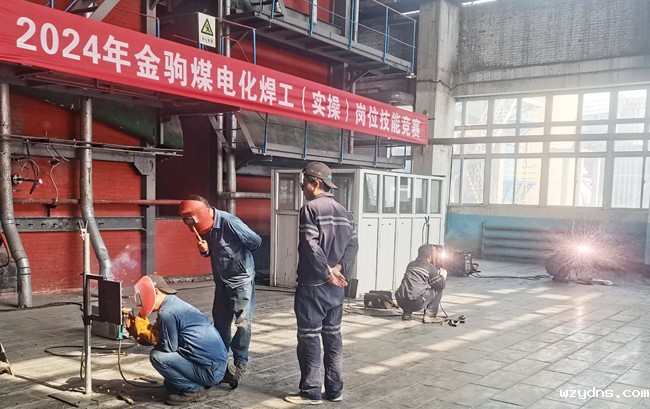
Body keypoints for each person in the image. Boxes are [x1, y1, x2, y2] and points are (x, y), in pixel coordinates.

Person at [284, 162, 359, 405]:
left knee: (309, 337)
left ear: (315, 183)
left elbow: (310, 244)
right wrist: (339, 269)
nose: (302, 188)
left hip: (313, 286)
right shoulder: (344, 211)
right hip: (337, 287)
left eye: (303, 184)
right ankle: (335, 391)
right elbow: (353, 245)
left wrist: (326, 272)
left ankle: (311, 392)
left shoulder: (310, 208)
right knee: (333, 336)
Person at [179, 195, 262, 387]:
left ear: (207, 211)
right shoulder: (202, 225)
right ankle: (220, 361)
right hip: (221, 281)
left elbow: (255, 241)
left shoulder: (229, 222)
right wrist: (204, 250)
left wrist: (240, 257)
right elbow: (211, 250)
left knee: (243, 323)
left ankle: (240, 362)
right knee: (220, 323)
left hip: (241, 281)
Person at [123, 274, 235, 406]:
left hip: (211, 371)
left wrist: (145, 332)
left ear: (156, 292)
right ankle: (214, 377)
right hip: (217, 363)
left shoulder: (167, 313)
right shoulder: (174, 304)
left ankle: (194, 390)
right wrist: (135, 325)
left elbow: (167, 348)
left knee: (157, 356)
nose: (141, 301)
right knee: (170, 383)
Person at [395, 244, 447, 324]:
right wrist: (443, 276)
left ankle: (407, 314)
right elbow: (441, 285)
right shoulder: (430, 267)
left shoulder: (411, 264)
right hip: (416, 303)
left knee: (411, 288)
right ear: (430, 255)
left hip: (401, 301)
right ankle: (430, 316)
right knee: (438, 289)